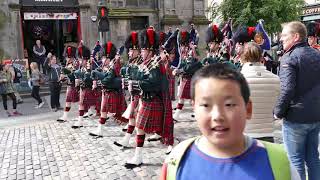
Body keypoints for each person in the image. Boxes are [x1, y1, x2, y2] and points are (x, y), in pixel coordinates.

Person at [160, 63, 300, 180]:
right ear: (194, 108)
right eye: (206, 105)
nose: (218, 116)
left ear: (248, 109)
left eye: (229, 105)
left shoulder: (281, 163)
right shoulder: (176, 162)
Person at [273, 21, 320, 180]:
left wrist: (278, 112)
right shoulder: (317, 54)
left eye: (285, 35)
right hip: (315, 116)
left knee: (295, 160)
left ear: (296, 37)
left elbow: (287, 89)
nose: (281, 39)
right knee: (313, 158)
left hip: (296, 118)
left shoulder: (289, 57)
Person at [240, 42, 280, 142]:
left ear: (243, 57)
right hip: (268, 133)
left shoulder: (238, 80)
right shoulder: (275, 79)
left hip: (245, 134)